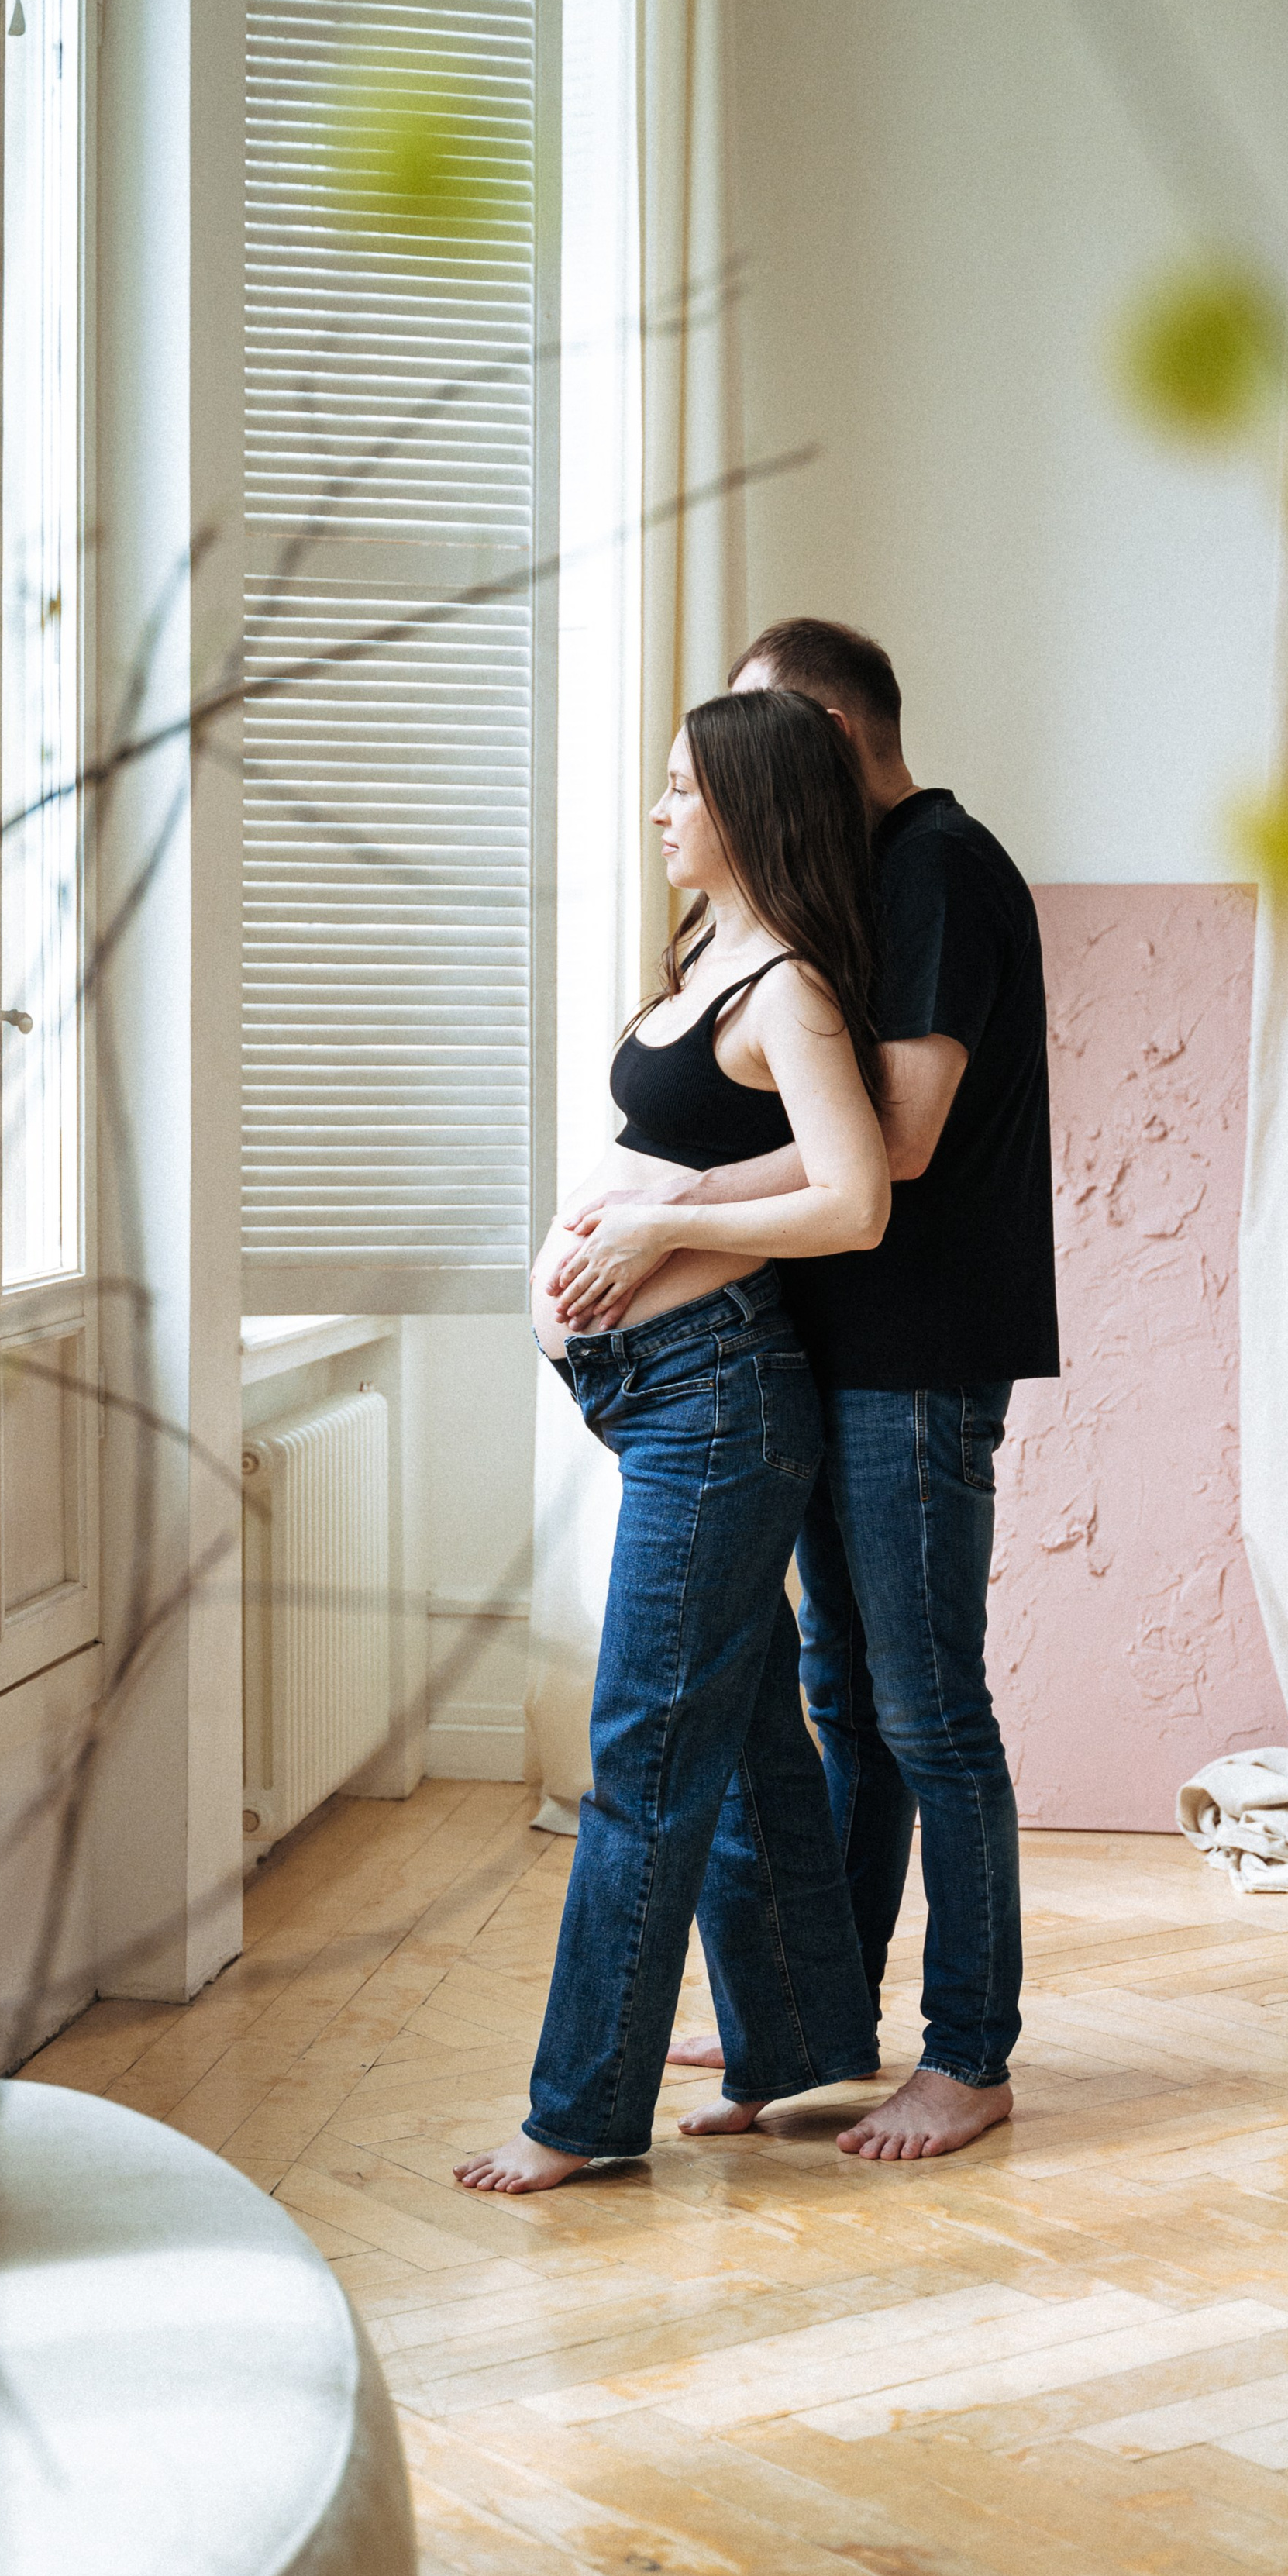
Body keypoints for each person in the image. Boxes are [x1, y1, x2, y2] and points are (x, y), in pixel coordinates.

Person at [553, 618, 1056, 2162]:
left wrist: (661, 1207)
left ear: (828, 740)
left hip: (914, 1355)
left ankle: (966, 2054)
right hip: (838, 1349)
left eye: (760, 742)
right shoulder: (845, 884)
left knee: (922, 1711)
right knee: (840, 1693)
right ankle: (816, 2017)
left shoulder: (932, 869)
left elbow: (883, 1152)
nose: (729, 779)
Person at [455, 688, 892, 2195]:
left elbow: (853, 1198)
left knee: (641, 1753)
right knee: (748, 1730)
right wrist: (638, 1225)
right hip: (658, 1394)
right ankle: (798, 2049)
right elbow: (735, 1150)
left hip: (716, 1402)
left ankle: (578, 2113)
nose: (656, 813)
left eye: (676, 791)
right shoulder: (708, 958)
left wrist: (659, 1223)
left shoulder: (785, 991)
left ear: (743, 809)